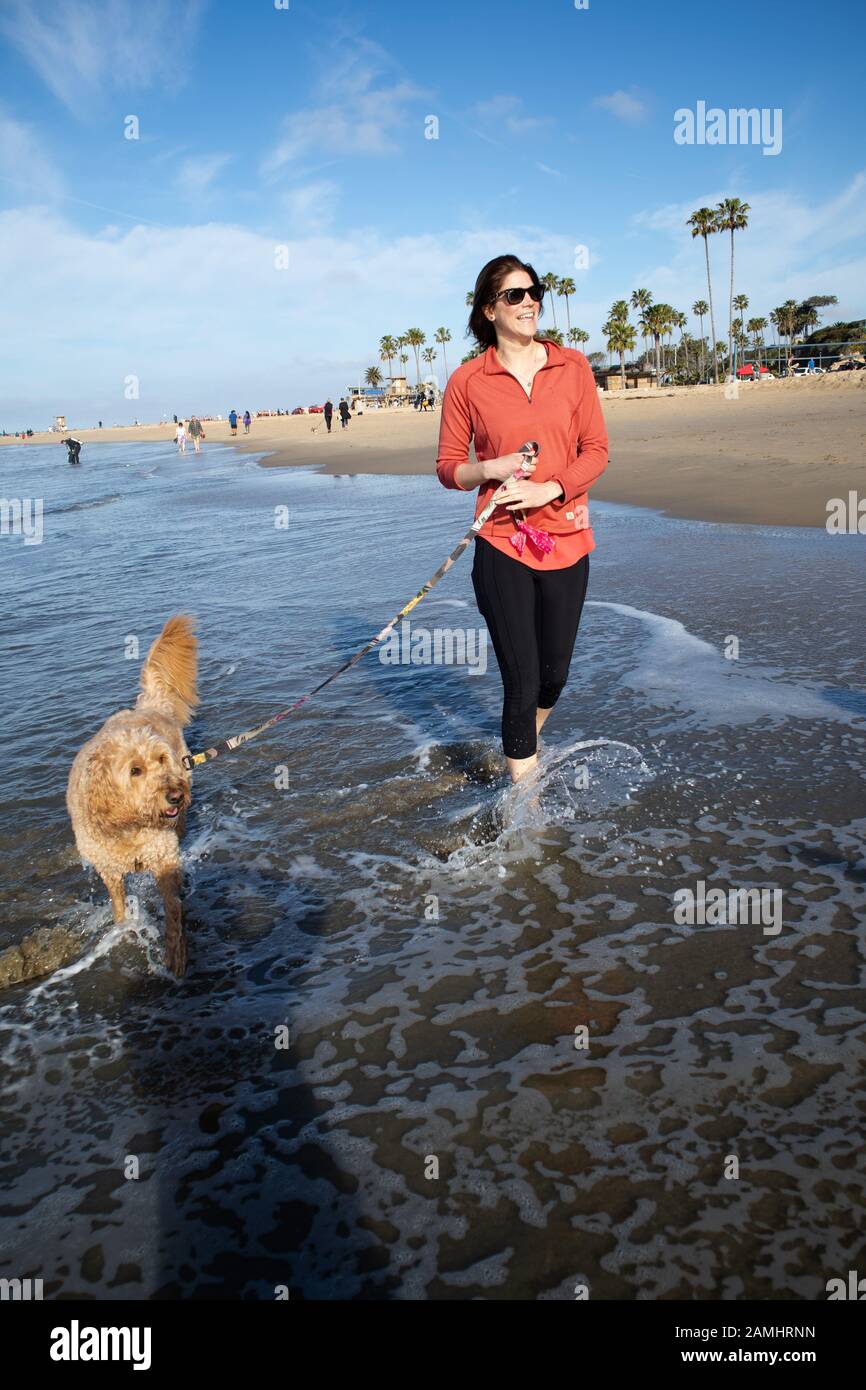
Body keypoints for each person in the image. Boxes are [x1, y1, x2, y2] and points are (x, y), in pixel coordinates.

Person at [436, 254, 608, 785]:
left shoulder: (572, 366)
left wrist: (549, 487)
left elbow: (596, 450)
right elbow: (448, 469)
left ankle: (522, 743)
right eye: (515, 294)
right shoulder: (468, 381)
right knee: (522, 678)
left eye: (535, 291)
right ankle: (524, 814)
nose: (529, 301)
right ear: (489, 308)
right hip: (502, 543)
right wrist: (492, 466)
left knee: (553, 678)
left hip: (568, 539)